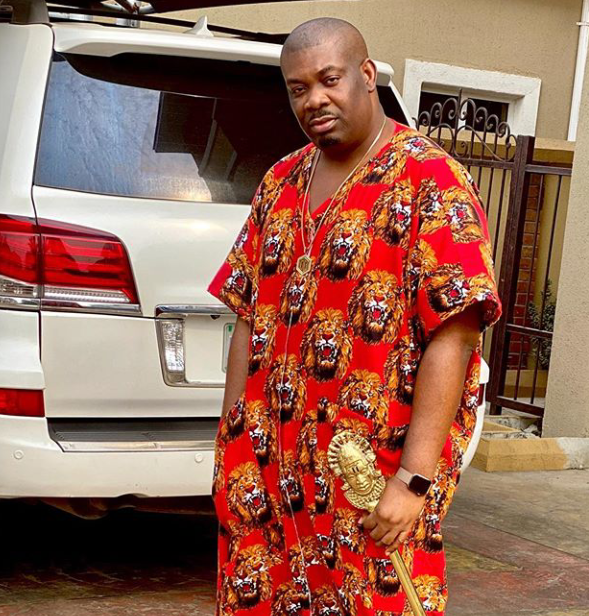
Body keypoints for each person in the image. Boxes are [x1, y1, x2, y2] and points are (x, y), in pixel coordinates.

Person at [208, 17, 501, 616]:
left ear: (366, 75)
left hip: (369, 482)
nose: (314, 100)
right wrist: (231, 440)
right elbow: (246, 314)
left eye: (329, 79)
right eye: (298, 89)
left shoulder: (430, 181)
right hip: (268, 479)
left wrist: (413, 480)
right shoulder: (280, 182)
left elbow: (455, 335)